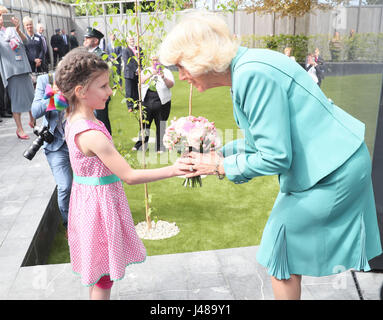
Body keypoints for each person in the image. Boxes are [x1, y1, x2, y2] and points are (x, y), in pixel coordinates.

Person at [160, 11, 382, 300]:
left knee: (281, 248)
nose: (182, 76)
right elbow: (261, 142)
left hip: (335, 171)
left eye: (181, 66)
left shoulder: (251, 73)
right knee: (283, 252)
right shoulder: (247, 67)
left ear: (200, 60)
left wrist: (219, 166)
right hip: (332, 163)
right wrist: (216, 153)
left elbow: (276, 157)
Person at [54, 48, 190, 300]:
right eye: (103, 86)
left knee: (99, 272)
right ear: (80, 92)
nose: (110, 91)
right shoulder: (91, 134)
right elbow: (129, 175)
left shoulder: (73, 117)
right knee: (104, 277)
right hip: (98, 207)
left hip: (87, 202)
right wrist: (174, 169)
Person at [31, 72, 72, 232]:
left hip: (77, 140)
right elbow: (35, 111)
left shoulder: (78, 78)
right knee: (65, 186)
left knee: (87, 182)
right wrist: (55, 95)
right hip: (55, 144)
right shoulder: (45, 80)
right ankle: (69, 225)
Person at [0, 7, 35, 139]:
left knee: (31, 97)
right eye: (1, 16)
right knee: (16, 101)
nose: (3, 18)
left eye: (5, 15)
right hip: (12, 71)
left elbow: (26, 42)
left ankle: (33, 120)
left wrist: (18, 29)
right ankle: (19, 129)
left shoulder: (13, 31)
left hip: (24, 68)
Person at [132, 55, 174, 152]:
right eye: (153, 60)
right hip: (147, 100)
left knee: (161, 124)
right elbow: (140, 82)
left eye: (157, 60)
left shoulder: (166, 71)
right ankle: (141, 144)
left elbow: (171, 84)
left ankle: (160, 147)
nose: (155, 62)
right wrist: (151, 74)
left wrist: (163, 77)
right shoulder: (146, 70)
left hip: (162, 102)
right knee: (144, 123)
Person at [83, 27, 112, 135]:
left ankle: (107, 144)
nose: (85, 40)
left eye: (88, 38)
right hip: (90, 92)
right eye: (85, 38)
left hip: (99, 93)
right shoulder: (87, 54)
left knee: (101, 120)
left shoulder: (101, 55)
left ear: (95, 41)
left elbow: (100, 77)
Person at [122, 36, 142, 112]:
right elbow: (127, 62)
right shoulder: (125, 50)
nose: (132, 40)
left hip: (138, 73)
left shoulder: (139, 49)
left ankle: (137, 105)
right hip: (129, 73)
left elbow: (142, 59)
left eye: (133, 39)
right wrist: (136, 69)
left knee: (136, 90)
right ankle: (130, 106)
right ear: (127, 41)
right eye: (130, 39)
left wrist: (141, 69)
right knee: (129, 90)